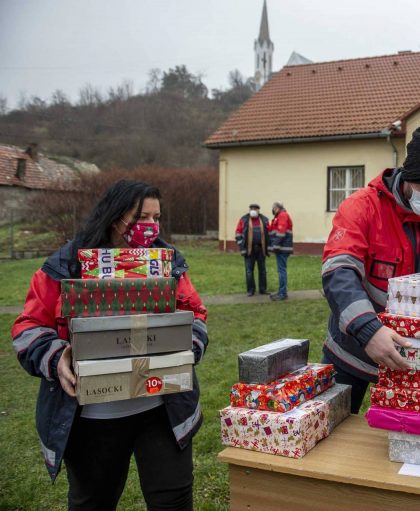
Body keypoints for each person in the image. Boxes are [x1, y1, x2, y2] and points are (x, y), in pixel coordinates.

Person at [11, 180, 209, 510]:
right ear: (115, 217)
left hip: (161, 409)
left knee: (173, 499)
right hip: (92, 418)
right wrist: (56, 357)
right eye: (141, 217)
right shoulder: (66, 265)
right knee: (93, 502)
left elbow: (195, 312)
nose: (151, 226)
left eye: (156, 218)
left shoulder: (167, 262)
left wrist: (187, 344)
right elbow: (28, 327)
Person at [322, 125, 420, 413]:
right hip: (354, 350)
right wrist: (368, 330)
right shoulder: (362, 207)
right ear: (407, 177)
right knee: (334, 433)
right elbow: (339, 272)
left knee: (409, 442)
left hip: (418, 357)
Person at [235, 203, 270, 296]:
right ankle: (251, 290)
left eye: (255, 208)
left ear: (259, 210)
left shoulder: (264, 220)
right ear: (249, 210)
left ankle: (263, 289)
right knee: (249, 271)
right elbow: (238, 233)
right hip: (249, 249)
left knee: (262, 270)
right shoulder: (244, 219)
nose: (253, 210)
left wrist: (268, 247)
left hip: (261, 249)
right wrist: (241, 245)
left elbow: (268, 233)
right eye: (252, 208)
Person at [267, 201, 293, 301]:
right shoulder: (279, 216)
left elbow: (281, 232)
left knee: (282, 271)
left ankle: (282, 293)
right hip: (281, 248)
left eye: (273, 208)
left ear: (277, 208)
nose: (272, 210)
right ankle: (281, 291)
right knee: (281, 270)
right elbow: (273, 230)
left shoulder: (282, 215)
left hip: (282, 248)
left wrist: (275, 246)